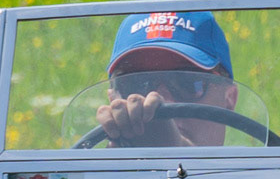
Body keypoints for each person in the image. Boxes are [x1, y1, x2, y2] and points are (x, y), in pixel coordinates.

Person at [92, 10, 241, 147]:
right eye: (137, 84)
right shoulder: (87, 173)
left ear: (229, 98)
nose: (161, 101)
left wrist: (178, 150)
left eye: (186, 83)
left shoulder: (257, 172)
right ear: (113, 99)